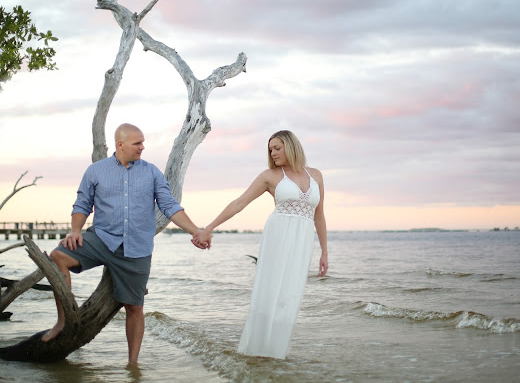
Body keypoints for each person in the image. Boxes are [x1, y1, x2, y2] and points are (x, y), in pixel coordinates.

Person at [42, 123, 211, 365]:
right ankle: (62, 321)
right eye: (137, 143)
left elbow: (170, 206)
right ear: (120, 144)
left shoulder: (151, 172)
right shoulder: (96, 171)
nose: (142, 147)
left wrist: (196, 231)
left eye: (143, 142)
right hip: (101, 238)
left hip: (136, 247)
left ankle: (133, 364)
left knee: (134, 308)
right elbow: (82, 204)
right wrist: (75, 231)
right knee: (59, 256)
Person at [202, 130, 328, 359]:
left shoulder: (316, 175)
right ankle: (256, 350)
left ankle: (276, 352)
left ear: (291, 146)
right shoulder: (269, 176)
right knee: (269, 291)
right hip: (277, 237)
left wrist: (324, 252)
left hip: (302, 241)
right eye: (270, 149)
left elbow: (319, 215)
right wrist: (209, 228)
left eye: (277, 148)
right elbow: (240, 202)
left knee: (290, 296)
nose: (273, 153)